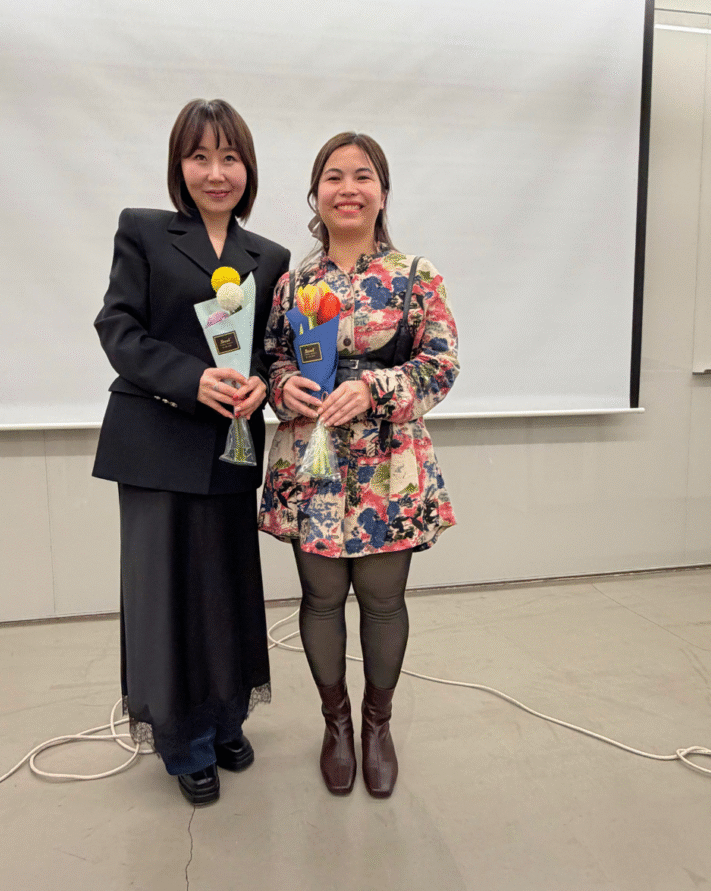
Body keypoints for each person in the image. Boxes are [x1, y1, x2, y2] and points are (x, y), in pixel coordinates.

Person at [93, 99, 290, 805]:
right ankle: (181, 742)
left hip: (231, 444)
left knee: (227, 590)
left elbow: (272, 349)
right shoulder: (144, 232)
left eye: (229, 157)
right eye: (200, 157)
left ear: (248, 168)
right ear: (180, 165)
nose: (216, 172)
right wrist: (191, 378)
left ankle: (225, 717)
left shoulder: (269, 256)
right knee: (165, 597)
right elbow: (117, 327)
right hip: (154, 440)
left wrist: (262, 383)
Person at [259, 132, 459, 798]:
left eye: (363, 175)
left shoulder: (415, 277)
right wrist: (283, 384)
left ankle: (377, 725)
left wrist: (373, 388)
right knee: (319, 598)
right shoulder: (292, 282)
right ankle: (335, 723)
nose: (348, 187)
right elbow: (270, 355)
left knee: (380, 600)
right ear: (315, 194)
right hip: (311, 464)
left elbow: (439, 366)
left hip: (386, 469)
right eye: (333, 176)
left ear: (381, 192)